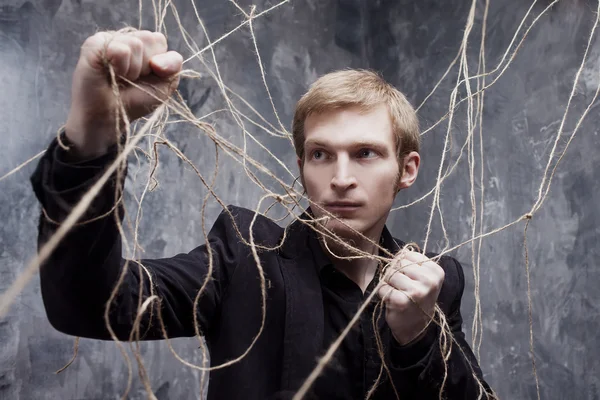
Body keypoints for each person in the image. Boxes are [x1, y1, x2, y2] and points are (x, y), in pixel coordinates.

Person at [30, 30, 495, 400]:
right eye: (320, 155)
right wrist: (92, 136)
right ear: (301, 166)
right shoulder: (244, 257)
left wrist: (417, 340)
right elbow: (91, 305)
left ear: (406, 169)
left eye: (366, 153)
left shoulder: (436, 283)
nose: (341, 177)